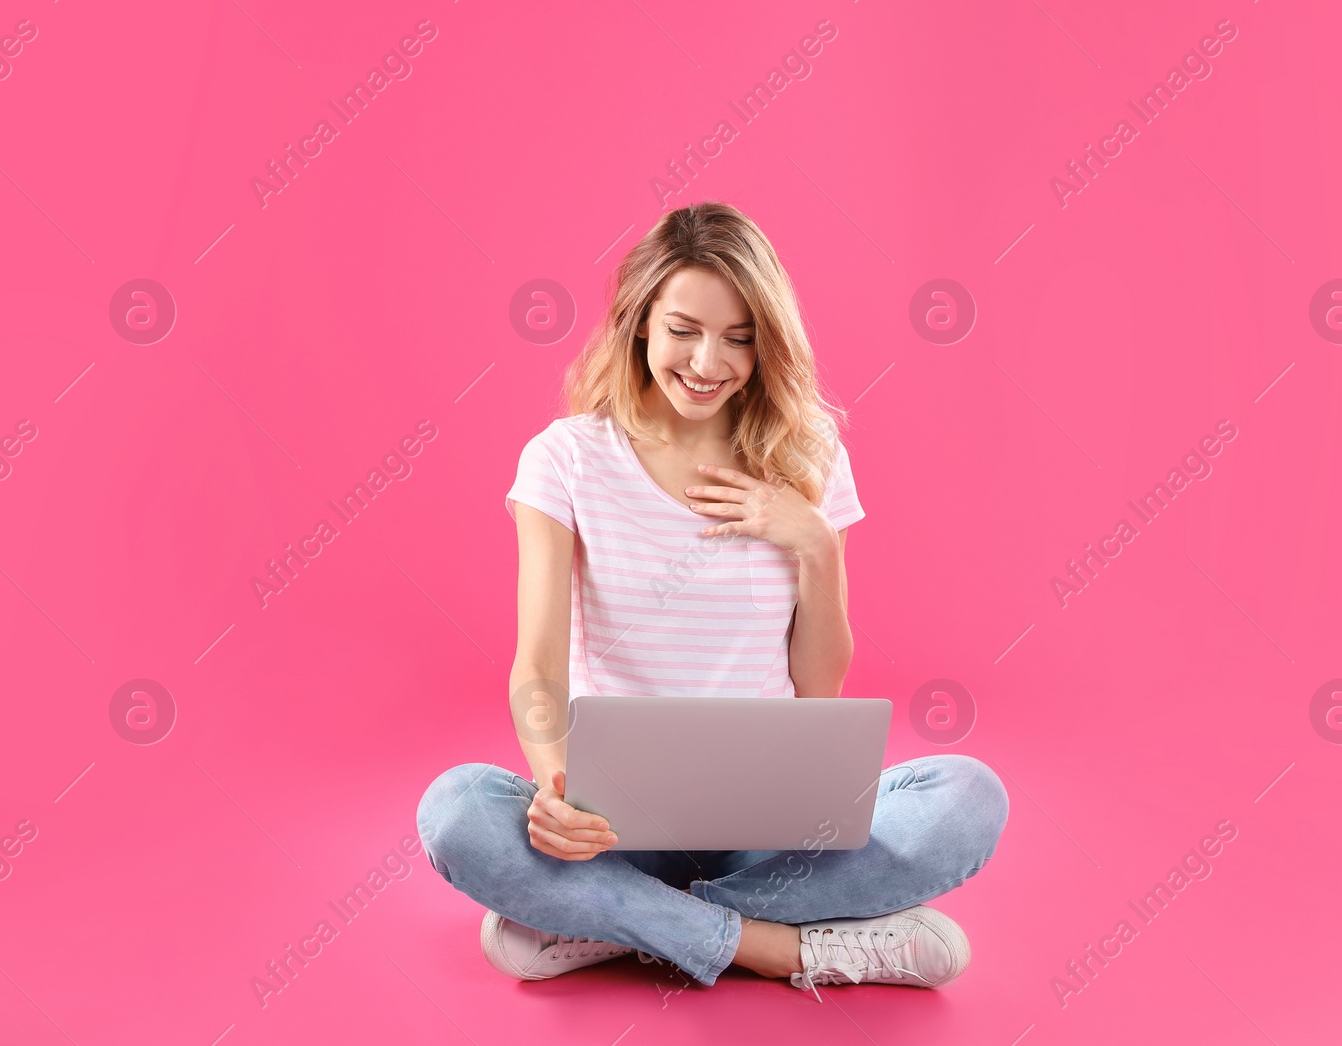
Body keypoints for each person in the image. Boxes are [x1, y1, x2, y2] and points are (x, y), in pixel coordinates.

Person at [416, 201, 1009, 1000]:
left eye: (738, 337)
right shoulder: (567, 459)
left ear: (767, 342)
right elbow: (538, 663)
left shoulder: (809, 455)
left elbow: (819, 689)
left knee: (968, 798)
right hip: (613, 829)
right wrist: (555, 787)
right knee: (455, 810)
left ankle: (603, 926)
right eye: (684, 329)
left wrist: (815, 543)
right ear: (639, 324)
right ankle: (784, 947)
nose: (707, 361)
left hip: (767, 831)